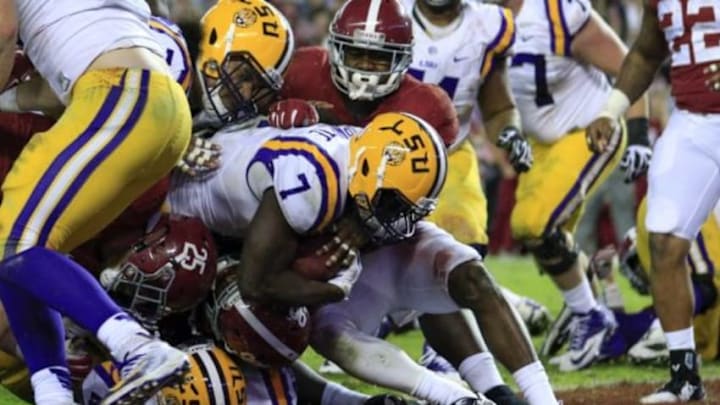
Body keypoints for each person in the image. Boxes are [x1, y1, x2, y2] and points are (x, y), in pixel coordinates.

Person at [0, 1, 194, 404]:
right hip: (160, 105)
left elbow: (2, 31)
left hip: (119, 92)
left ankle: (138, 347)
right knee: (16, 248)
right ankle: (53, 392)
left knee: (18, 240)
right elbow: (57, 87)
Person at [503, 0, 649, 372]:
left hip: (588, 131)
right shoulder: (481, 18)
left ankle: (591, 315)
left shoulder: (556, 11)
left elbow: (630, 65)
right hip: (538, 144)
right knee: (536, 233)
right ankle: (587, 304)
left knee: (535, 223)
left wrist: (637, 134)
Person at [585, 0, 720, 401]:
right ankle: (684, 377)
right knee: (663, 239)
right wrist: (612, 110)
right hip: (694, 120)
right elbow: (646, 51)